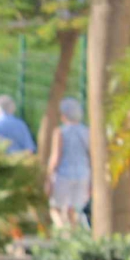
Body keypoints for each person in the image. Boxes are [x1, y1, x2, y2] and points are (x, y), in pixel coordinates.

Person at [47, 98, 91, 228]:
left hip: (63, 174)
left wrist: (48, 176)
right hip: (83, 174)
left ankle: (62, 231)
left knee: (55, 208)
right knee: (73, 209)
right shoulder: (87, 132)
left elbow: (56, 156)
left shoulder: (60, 131)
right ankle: (72, 234)